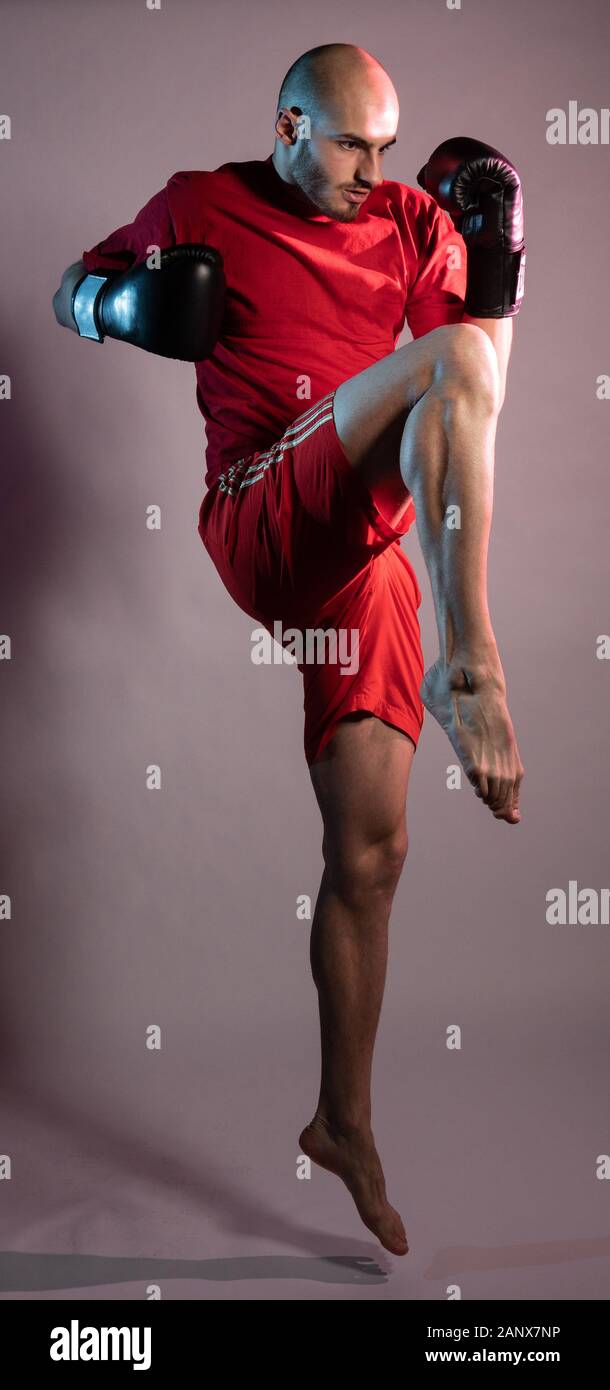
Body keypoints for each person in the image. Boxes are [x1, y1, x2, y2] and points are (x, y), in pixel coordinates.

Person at [53, 42, 526, 1257]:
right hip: (266, 512)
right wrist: (119, 305)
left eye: (388, 145)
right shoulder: (198, 203)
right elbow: (66, 290)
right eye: (352, 146)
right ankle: (473, 660)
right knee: (455, 355)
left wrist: (495, 285)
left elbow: (471, 403)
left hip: (366, 558)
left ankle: (342, 1120)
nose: (376, 172)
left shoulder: (416, 219)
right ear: (288, 124)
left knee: (372, 857)